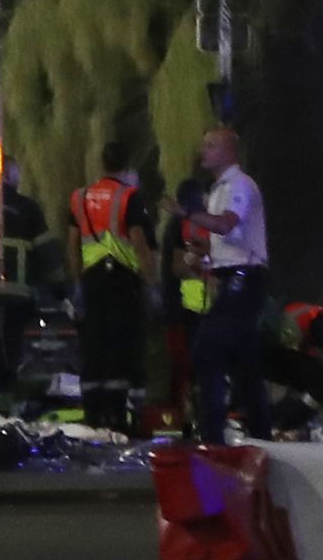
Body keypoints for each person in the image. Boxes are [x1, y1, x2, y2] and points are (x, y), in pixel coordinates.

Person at [162, 126, 270, 444]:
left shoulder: (240, 185)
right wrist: (205, 256)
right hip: (231, 278)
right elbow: (228, 241)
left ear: (229, 151)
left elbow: (225, 224)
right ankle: (262, 435)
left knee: (206, 352)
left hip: (244, 280)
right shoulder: (218, 189)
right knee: (244, 362)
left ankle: (213, 437)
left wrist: (186, 213)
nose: (203, 150)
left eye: (211, 145)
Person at [67, 142, 157, 434]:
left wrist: (78, 282)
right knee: (120, 346)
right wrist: (151, 283)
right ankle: (117, 417)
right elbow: (139, 243)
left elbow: (72, 245)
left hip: (91, 280)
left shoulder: (79, 198)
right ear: (126, 166)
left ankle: (93, 414)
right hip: (122, 281)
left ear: (102, 164)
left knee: (93, 345)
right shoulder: (129, 197)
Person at [0, 155, 64, 388]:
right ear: (8, 174)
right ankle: (7, 386)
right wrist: (61, 288)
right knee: (11, 346)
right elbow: (47, 253)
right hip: (17, 293)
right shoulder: (27, 208)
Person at [156, 178, 211, 429]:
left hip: (186, 308)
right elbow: (179, 267)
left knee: (187, 367)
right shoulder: (180, 225)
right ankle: (180, 419)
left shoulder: (180, 225)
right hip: (181, 309)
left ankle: (184, 418)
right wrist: (200, 267)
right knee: (184, 367)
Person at [265, 303, 323, 432]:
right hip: (270, 351)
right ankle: (283, 425)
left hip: (258, 349)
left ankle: (268, 419)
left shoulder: (309, 313)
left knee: (305, 385)